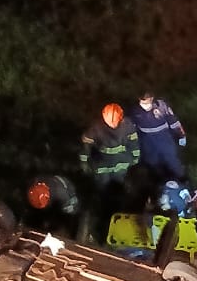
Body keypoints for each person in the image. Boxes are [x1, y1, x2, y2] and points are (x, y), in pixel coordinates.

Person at [79, 103, 141, 238]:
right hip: (103, 169)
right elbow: (85, 148)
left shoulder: (127, 126)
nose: (112, 124)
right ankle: (102, 225)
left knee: (118, 195)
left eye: (115, 121)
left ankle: (116, 219)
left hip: (120, 167)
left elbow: (133, 143)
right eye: (110, 122)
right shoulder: (95, 129)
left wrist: (134, 158)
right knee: (103, 197)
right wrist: (85, 164)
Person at [129, 91, 188, 185]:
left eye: (148, 100)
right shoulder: (135, 111)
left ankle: (183, 182)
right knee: (153, 164)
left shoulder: (161, 106)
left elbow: (173, 121)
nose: (146, 103)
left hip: (165, 139)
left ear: (152, 98)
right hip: (148, 143)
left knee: (173, 161)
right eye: (143, 101)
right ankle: (160, 184)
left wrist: (181, 135)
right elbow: (132, 130)